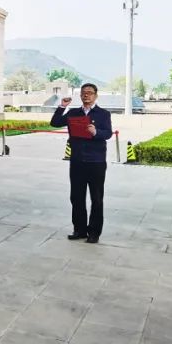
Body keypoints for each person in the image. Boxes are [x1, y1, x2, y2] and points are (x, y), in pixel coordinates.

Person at [50, 83, 113, 243]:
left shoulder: (103, 114)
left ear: (95, 95)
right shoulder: (73, 113)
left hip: (96, 162)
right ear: (80, 96)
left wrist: (96, 132)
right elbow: (55, 123)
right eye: (84, 93)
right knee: (76, 197)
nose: (86, 95)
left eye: (90, 93)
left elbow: (108, 133)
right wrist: (62, 106)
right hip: (77, 161)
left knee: (96, 199)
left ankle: (94, 233)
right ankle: (79, 230)